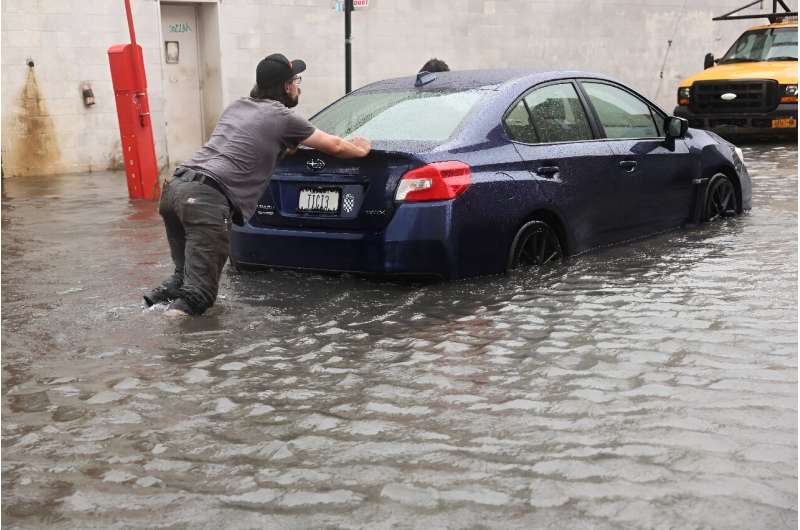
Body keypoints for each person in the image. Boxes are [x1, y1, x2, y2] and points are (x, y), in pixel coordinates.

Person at [144, 53, 371, 317]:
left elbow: (247, 145)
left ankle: (147, 313)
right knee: (198, 297)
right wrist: (361, 150)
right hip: (205, 199)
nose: (299, 85)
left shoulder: (237, 106)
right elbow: (336, 146)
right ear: (286, 86)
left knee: (181, 281)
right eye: (296, 80)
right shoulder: (284, 117)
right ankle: (169, 347)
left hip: (176, 188)